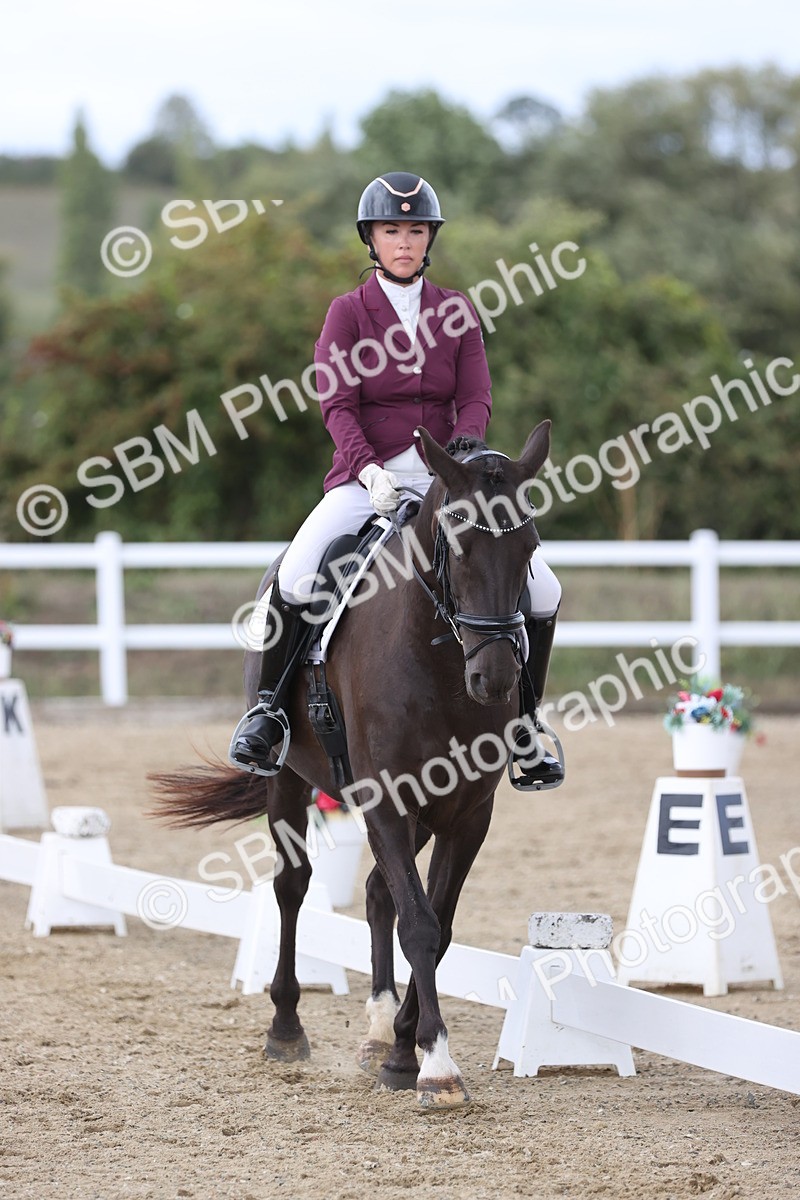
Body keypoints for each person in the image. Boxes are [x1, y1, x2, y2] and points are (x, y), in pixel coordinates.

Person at [230, 171, 563, 787]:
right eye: (391, 231)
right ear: (372, 240)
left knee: (543, 589)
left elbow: (476, 396)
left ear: (429, 238)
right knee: (299, 573)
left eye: (415, 230)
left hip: (450, 481)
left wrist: (463, 453)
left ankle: (526, 724)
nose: (404, 242)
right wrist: (366, 469)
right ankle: (268, 713)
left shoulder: (456, 312)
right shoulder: (347, 313)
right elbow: (337, 404)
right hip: (367, 478)